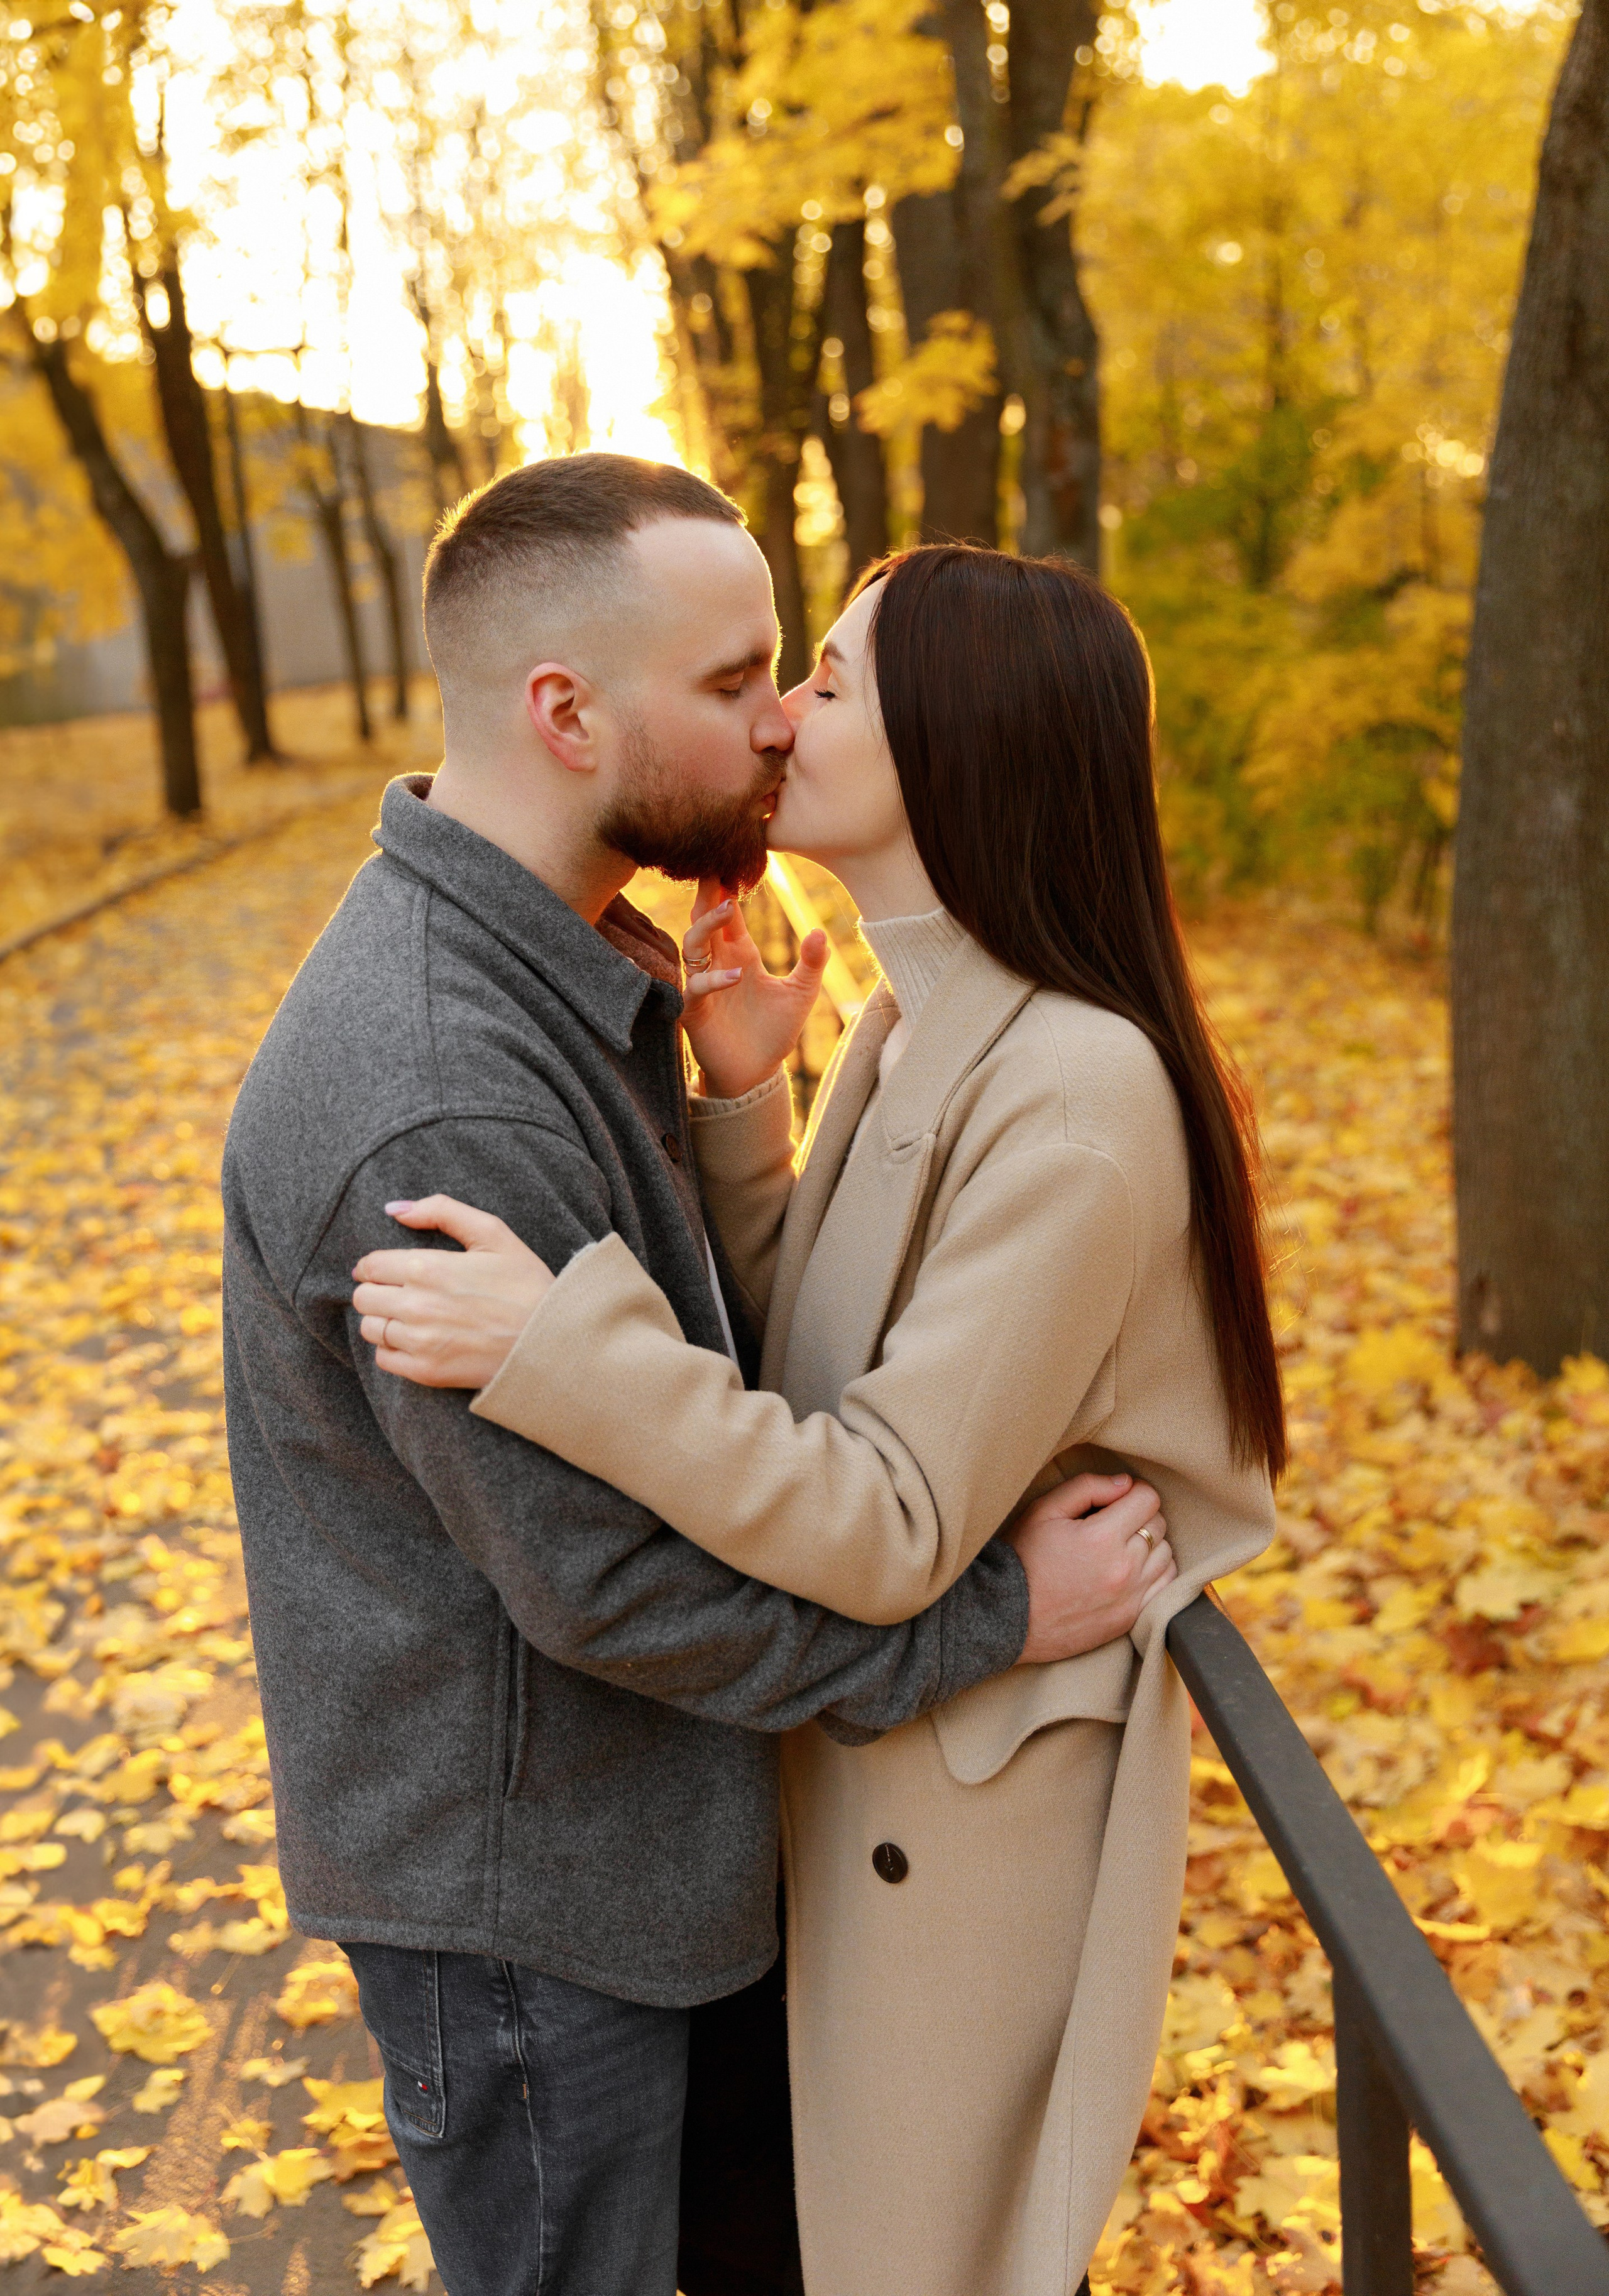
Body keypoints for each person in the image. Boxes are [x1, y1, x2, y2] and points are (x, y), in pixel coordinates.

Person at [221, 456, 1178, 2296]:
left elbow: (714, 1378)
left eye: (797, 673)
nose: (776, 724)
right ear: (567, 714)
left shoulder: (575, 973)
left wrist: (729, 1102)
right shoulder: (439, 1091)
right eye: (739, 678)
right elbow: (616, 1587)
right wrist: (996, 1623)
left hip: (661, 1854)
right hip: (540, 1916)